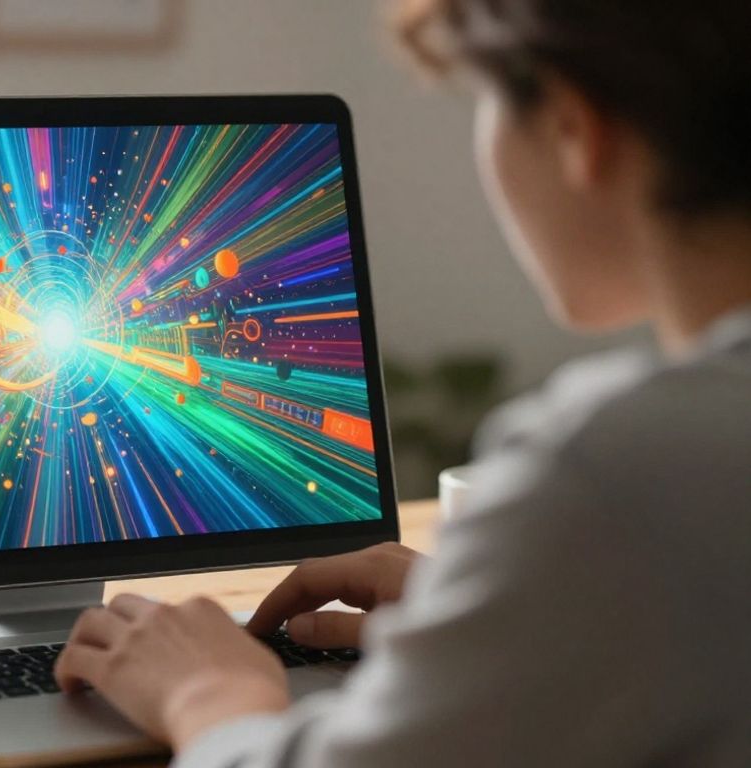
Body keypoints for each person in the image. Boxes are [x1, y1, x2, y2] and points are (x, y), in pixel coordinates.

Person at [53, 1, 751, 765]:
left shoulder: (617, 467)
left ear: (574, 128)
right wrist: (515, 610)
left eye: (484, 102)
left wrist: (206, 694)